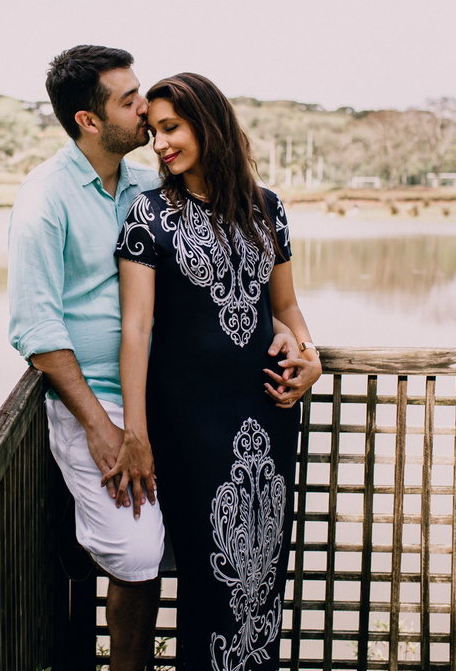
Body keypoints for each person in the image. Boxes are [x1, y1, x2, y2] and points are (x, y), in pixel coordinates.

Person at [8, 48, 303, 671]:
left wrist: (304, 347)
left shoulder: (150, 183)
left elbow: (253, 294)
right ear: (90, 120)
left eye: (161, 112)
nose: (146, 116)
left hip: (194, 399)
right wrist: (108, 428)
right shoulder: (46, 199)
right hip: (101, 398)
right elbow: (36, 327)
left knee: (241, 555)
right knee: (142, 553)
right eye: (131, 102)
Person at [110, 72, 321, 670]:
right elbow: (136, 329)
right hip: (188, 425)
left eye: (171, 128)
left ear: (209, 124)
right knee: (209, 573)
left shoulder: (267, 208)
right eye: (152, 132)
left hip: (267, 415)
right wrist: (137, 432)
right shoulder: (147, 217)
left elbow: (285, 307)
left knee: (260, 577)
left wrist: (312, 358)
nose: (160, 145)